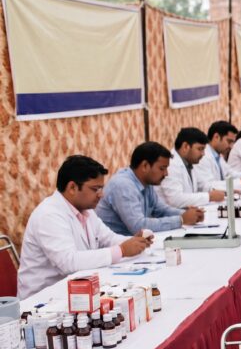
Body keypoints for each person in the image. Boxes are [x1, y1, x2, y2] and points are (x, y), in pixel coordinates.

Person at [17, 156, 152, 299]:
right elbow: (69, 261)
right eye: (95, 189)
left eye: (101, 188)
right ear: (72, 188)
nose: (101, 194)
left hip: (76, 291)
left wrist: (136, 241)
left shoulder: (85, 210)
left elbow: (109, 238)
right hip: (43, 301)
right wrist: (122, 250)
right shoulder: (49, 214)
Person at [96, 142, 202, 236]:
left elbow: (160, 210)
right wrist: (181, 220)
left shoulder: (146, 182)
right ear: (145, 166)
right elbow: (138, 227)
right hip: (117, 247)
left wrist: (187, 213)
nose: (166, 173)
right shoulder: (123, 185)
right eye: (162, 168)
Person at [159, 127, 226, 208]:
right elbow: (175, 200)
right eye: (200, 149)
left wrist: (227, 190)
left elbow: (203, 185)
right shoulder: (171, 164)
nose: (203, 154)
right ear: (185, 146)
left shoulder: (189, 162)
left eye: (204, 149)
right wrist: (209, 196)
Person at [195, 121, 241, 188]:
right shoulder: (203, 157)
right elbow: (208, 185)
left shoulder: (218, 156)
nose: (231, 146)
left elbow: (229, 173)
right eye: (229, 141)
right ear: (216, 137)